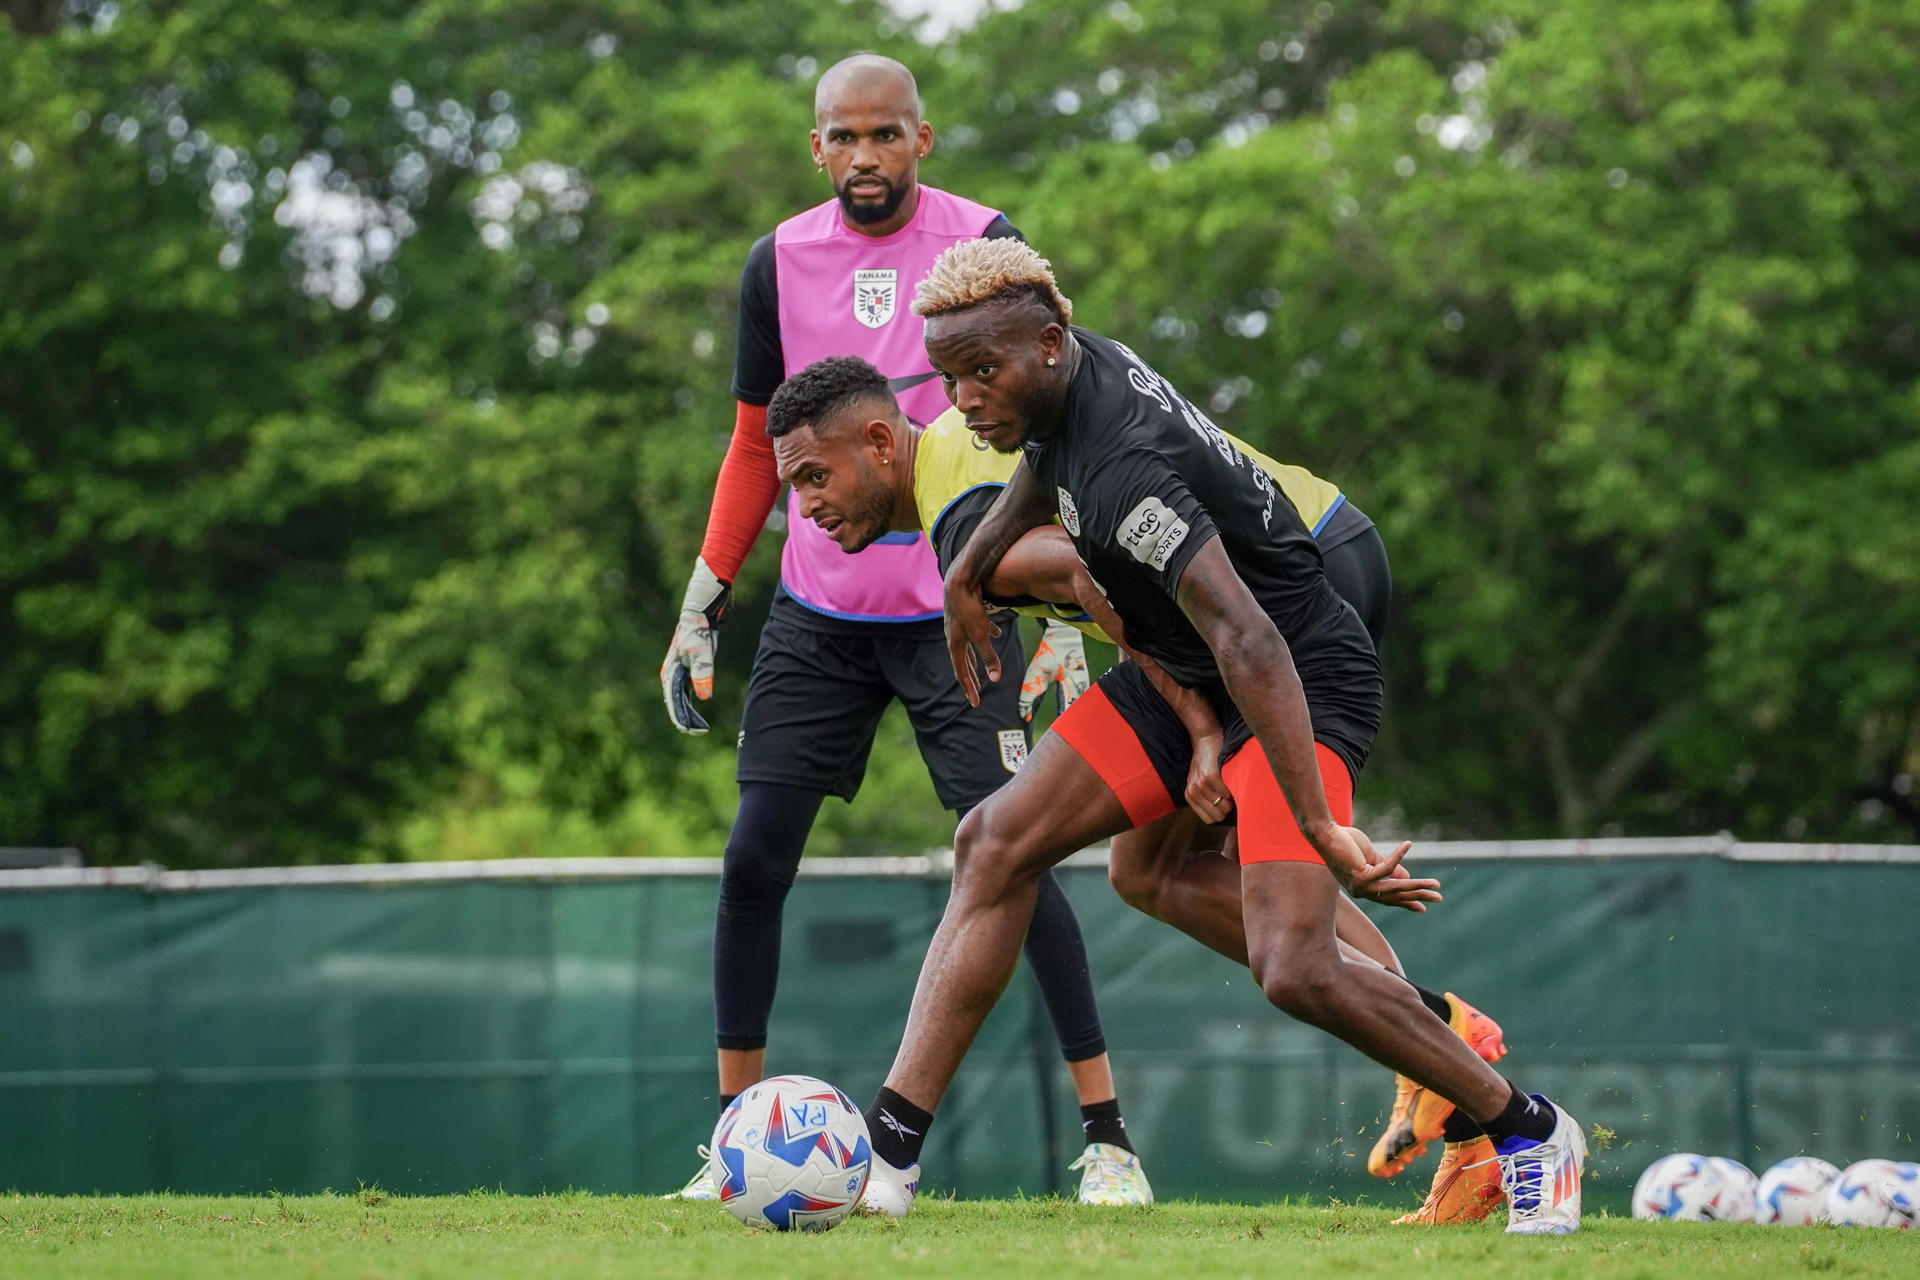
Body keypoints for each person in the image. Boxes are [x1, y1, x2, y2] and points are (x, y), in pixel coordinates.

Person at [851, 237, 1587, 1235]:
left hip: (1294, 668)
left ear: (1051, 345)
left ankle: (1530, 1128)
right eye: (951, 377)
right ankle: (888, 1158)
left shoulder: (1126, 471)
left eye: (984, 372)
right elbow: (1041, 473)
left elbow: (1247, 632)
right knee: (999, 837)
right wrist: (968, 568)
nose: (967, 397)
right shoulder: (1069, 377)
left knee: (1297, 964)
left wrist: (1321, 825)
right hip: (1193, 666)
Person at [657, 55, 1146, 1206]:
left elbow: (1051, 427)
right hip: (819, 619)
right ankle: (733, 1143)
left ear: (923, 140)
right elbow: (747, 447)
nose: (867, 156)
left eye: (888, 134)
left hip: (962, 608)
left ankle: (1111, 1139)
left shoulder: (984, 242)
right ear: (816, 148)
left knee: (1017, 856)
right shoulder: (775, 260)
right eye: (845, 137)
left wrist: (1064, 614)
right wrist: (703, 598)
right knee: (750, 860)